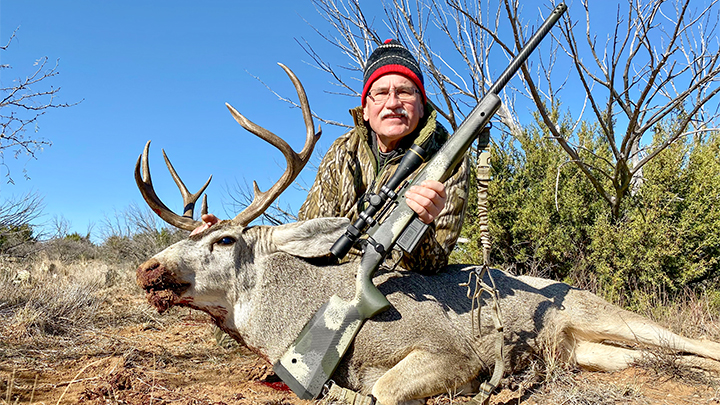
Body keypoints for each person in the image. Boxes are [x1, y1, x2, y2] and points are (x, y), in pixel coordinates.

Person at [194, 39, 469, 274]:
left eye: (406, 92)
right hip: (333, 275)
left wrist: (420, 225)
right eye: (381, 93)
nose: (393, 103)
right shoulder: (343, 151)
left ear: (422, 106)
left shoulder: (448, 161)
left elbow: (434, 264)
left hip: (407, 288)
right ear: (365, 109)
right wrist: (229, 235)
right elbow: (307, 230)